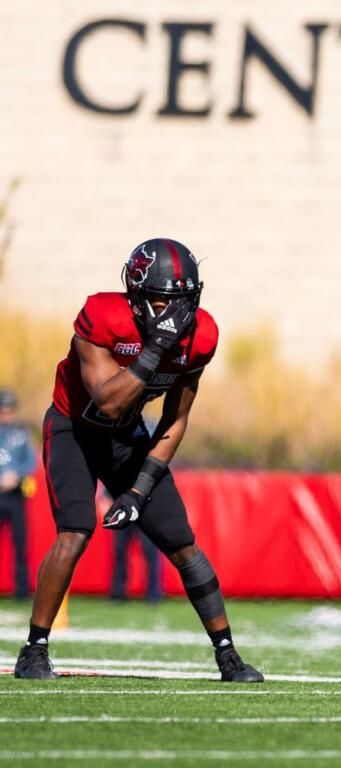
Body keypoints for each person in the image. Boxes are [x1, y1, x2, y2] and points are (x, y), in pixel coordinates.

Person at [13, 237, 262, 683]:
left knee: (181, 540)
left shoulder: (199, 335)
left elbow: (176, 419)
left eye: (185, 300)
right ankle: (34, 649)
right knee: (75, 529)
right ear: (138, 293)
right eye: (168, 300)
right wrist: (154, 349)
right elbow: (106, 403)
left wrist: (138, 489)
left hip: (130, 437)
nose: (176, 313)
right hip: (75, 429)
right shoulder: (102, 318)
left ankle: (228, 656)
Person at [0, 389, 35, 599]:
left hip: (15, 496)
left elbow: (30, 462)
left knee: (20, 544)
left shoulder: (21, 434)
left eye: (9, 410)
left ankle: (22, 590)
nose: (6, 415)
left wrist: (17, 475)